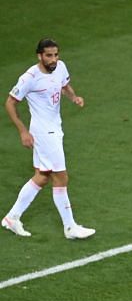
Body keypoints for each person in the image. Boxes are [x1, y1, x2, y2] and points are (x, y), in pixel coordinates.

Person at [2, 38, 95, 240]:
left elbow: (65, 85)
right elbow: (10, 103)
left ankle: (11, 218)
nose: (53, 59)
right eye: (49, 55)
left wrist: (74, 97)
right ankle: (70, 228)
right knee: (61, 177)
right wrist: (22, 131)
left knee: (42, 176)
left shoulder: (60, 67)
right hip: (44, 133)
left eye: (56, 54)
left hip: (55, 128)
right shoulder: (30, 78)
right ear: (40, 56)